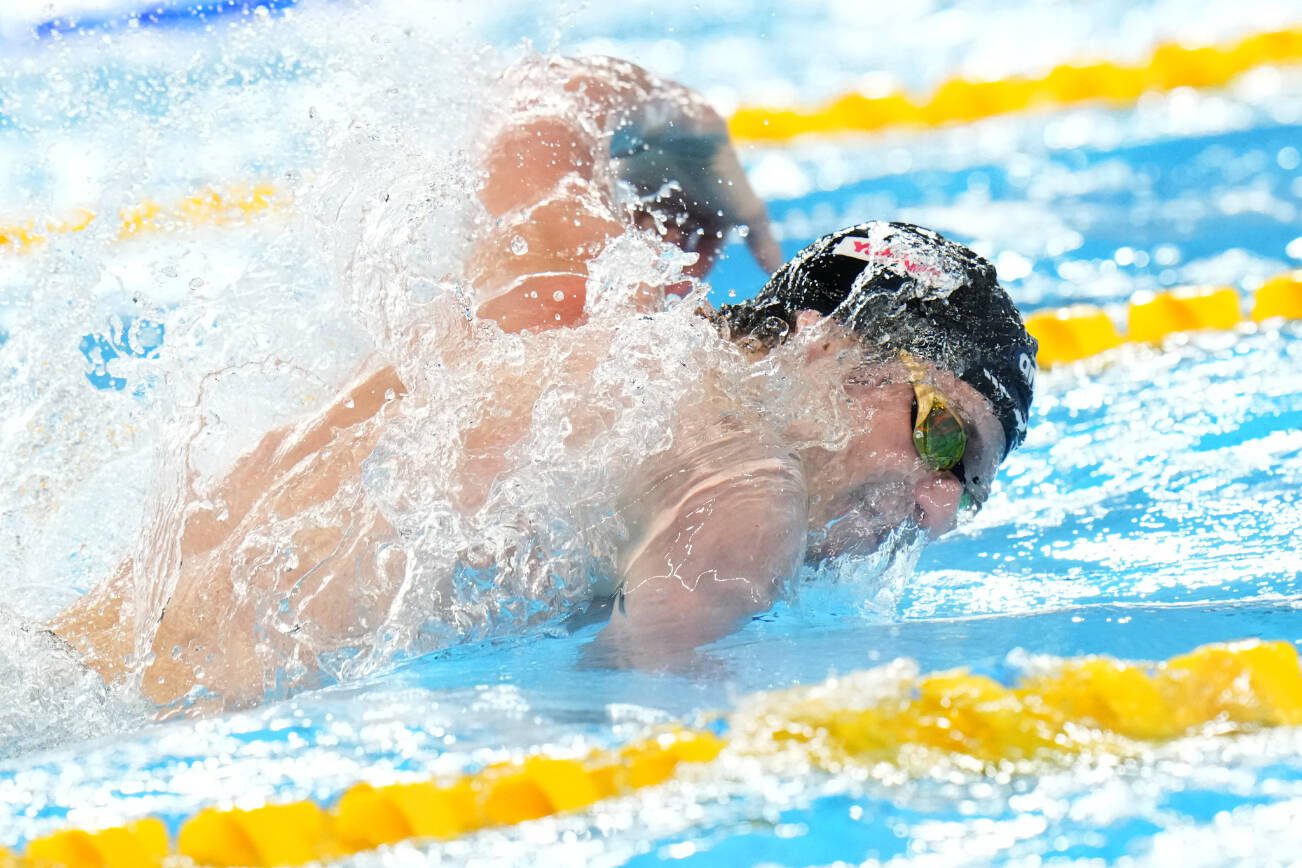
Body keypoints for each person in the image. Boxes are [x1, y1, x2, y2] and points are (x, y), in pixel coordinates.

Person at [47, 56, 1036, 715]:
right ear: (822, 346)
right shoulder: (747, 493)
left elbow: (542, 100)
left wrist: (692, 127)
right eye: (944, 438)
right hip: (145, 730)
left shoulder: (576, 293)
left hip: (68, 653)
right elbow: (642, 724)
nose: (941, 508)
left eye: (972, 484)